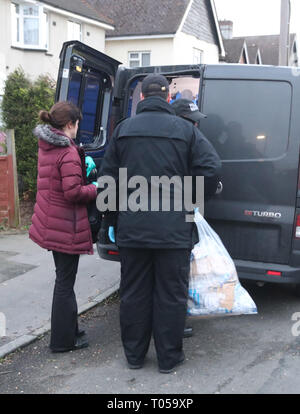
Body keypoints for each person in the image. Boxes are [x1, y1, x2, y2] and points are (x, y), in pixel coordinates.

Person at [100, 74, 221, 373]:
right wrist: (190, 201)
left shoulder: (123, 131)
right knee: (170, 294)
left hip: (133, 228)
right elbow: (211, 168)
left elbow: (108, 180)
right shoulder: (186, 130)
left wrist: (111, 220)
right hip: (174, 230)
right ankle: (168, 358)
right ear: (168, 98)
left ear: (141, 98)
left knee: (134, 293)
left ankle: (134, 357)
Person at [29, 101, 98, 353]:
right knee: (65, 283)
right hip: (64, 225)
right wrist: (96, 187)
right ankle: (62, 341)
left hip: (51, 221)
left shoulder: (48, 145)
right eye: (78, 124)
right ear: (70, 124)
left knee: (63, 280)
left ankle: (70, 331)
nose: (78, 128)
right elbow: (73, 192)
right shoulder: (66, 150)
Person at [171, 98, 213, 338]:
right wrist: (196, 196)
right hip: (178, 214)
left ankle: (177, 319)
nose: (196, 126)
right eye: (192, 121)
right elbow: (209, 167)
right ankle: (175, 323)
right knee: (175, 275)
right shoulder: (184, 141)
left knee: (179, 271)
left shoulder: (185, 140)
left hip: (177, 212)